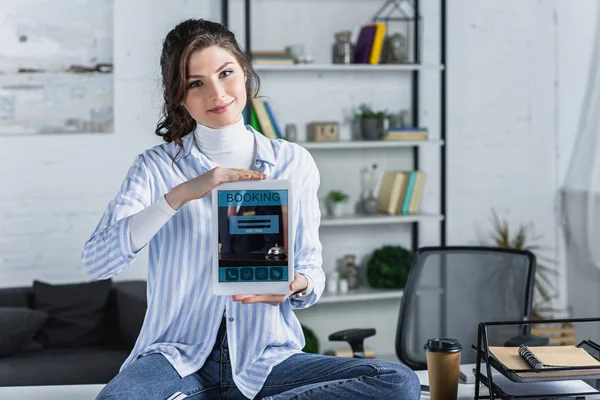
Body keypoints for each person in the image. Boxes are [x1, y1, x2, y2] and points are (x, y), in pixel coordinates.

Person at [82, 18, 421, 400]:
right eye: (196, 83)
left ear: (244, 72)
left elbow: (311, 269)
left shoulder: (293, 162)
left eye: (225, 73)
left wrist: (295, 286)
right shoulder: (156, 167)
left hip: (267, 359)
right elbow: (97, 262)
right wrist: (181, 194)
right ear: (179, 95)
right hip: (177, 358)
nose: (217, 93)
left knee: (398, 381)